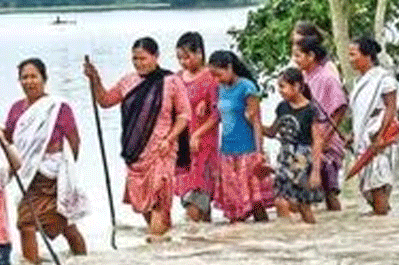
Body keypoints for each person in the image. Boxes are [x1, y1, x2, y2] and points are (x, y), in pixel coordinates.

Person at [83, 37, 192, 241]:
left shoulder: (171, 82)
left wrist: (170, 138)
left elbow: (184, 116)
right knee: (144, 206)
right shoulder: (128, 81)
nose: (139, 63)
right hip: (136, 153)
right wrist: (95, 79)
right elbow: (105, 101)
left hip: (162, 150)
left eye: (143, 58)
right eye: (135, 59)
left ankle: (154, 247)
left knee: (159, 200)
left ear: (156, 57)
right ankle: (162, 240)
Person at [2, 57, 90, 264]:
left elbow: (74, 140)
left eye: (34, 77)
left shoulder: (58, 107)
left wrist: (67, 172)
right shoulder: (17, 109)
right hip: (28, 173)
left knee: (65, 222)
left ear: (44, 79)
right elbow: (10, 137)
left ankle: (83, 262)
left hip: (53, 174)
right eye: (24, 78)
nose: (29, 82)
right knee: (26, 223)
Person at [202, 50, 272, 222]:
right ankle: (238, 245)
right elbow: (219, 115)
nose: (216, 80)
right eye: (213, 76)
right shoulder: (220, 89)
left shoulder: (247, 87)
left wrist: (259, 152)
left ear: (230, 67)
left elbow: (255, 121)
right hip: (227, 151)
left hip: (247, 150)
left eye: (219, 74)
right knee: (233, 203)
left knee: (255, 202)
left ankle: (267, 237)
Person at [293, 35, 349, 211]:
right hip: (307, 140)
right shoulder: (301, 78)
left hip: (326, 142)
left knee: (329, 189)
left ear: (311, 56)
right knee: (301, 185)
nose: (295, 60)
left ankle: (335, 221)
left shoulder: (327, 77)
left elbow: (340, 108)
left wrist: (325, 138)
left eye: (298, 56)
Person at [348, 37, 399, 215]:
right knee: (369, 188)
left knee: (378, 184)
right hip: (363, 139)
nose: (350, 59)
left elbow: (391, 108)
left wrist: (380, 134)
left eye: (353, 54)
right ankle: (381, 222)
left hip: (379, 140)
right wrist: (353, 134)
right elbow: (361, 113)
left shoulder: (384, 79)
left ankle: (382, 225)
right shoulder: (359, 81)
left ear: (367, 56)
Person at [263, 68, 324, 224]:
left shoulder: (310, 110)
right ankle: (291, 234)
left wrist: (316, 172)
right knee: (281, 199)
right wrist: (253, 122)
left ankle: (302, 233)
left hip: (302, 158)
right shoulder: (282, 107)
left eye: (283, 86)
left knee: (303, 204)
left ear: (297, 86)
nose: (280, 91)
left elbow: (317, 141)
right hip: (285, 156)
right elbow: (271, 131)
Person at [174, 32, 219, 222]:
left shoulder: (211, 78)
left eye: (187, 57)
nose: (183, 62)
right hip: (183, 146)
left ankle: (193, 244)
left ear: (200, 53)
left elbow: (218, 114)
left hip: (204, 147)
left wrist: (198, 134)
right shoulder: (176, 79)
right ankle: (205, 248)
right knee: (196, 204)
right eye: (179, 58)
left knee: (196, 201)